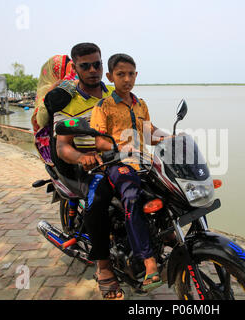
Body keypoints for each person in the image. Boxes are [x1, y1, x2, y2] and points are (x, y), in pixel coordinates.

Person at [46, 43, 123, 300]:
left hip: (115, 158)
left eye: (97, 64)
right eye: (85, 65)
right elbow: (63, 146)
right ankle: (103, 266)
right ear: (76, 68)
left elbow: (137, 123)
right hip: (84, 165)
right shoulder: (68, 99)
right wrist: (83, 157)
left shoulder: (115, 93)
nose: (93, 70)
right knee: (98, 197)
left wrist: (166, 137)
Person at [90, 53, 171, 292]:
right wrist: (120, 146)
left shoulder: (140, 103)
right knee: (132, 196)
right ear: (110, 76)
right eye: (120, 74)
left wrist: (171, 138)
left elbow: (149, 132)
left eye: (131, 74)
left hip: (143, 163)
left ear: (136, 75)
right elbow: (98, 141)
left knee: (171, 189)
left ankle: (170, 236)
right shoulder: (103, 106)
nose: (127, 79)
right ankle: (148, 261)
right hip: (117, 165)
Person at [31, 54, 77, 165]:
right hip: (56, 138)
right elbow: (41, 120)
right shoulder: (49, 89)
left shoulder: (71, 85)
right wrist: (51, 91)